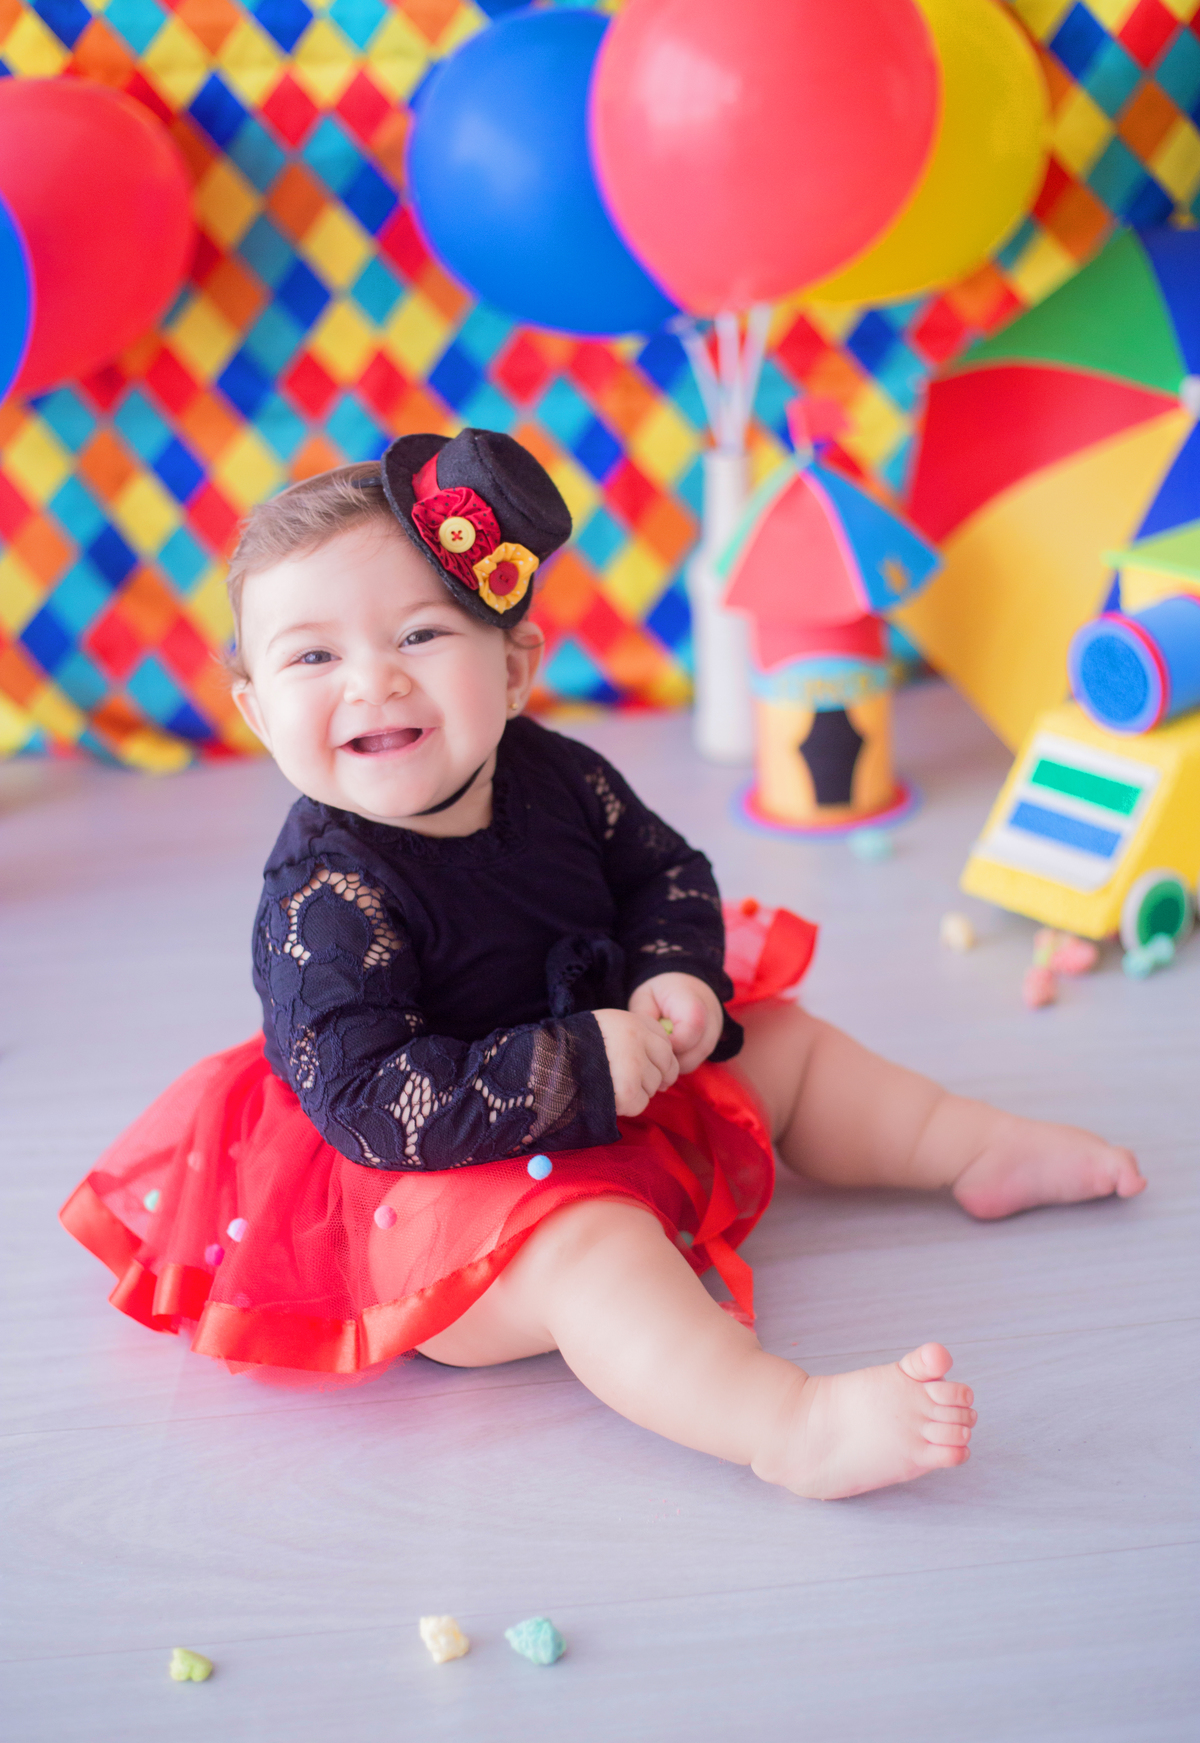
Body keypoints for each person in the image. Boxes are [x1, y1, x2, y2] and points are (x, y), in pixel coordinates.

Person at [61, 429, 1144, 1502]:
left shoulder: (556, 774)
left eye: (420, 634)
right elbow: (369, 1101)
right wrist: (573, 1065)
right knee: (593, 1248)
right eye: (313, 656)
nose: (374, 680)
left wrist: (676, 973)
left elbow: (662, 873)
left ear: (514, 667)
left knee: (787, 1043)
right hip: (440, 1189)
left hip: (619, 1057)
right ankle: (787, 1424)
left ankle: (969, 1145)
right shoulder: (324, 900)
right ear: (258, 712)